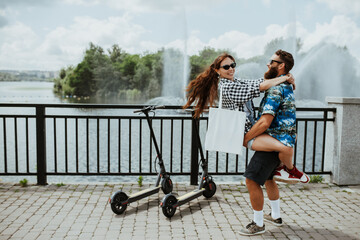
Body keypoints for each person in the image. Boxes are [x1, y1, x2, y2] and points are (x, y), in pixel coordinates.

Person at [183, 52, 303, 182]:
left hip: (253, 130)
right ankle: (290, 171)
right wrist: (284, 78)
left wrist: (287, 76)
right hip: (244, 134)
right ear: (217, 70)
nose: (231, 69)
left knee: (291, 138)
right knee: (286, 148)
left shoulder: (236, 81)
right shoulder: (226, 86)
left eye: (232, 65)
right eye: (226, 67)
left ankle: (279, 169)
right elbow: (259, 87)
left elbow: (259, 81)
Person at [239, 49, 305, 236]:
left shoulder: (276, 89)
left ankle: (258, 224)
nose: (268, 64)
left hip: (273, 140)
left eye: (272, 61)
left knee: (252, 179)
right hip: (282, 138)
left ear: (281, 65)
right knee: (268, 178)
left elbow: (264, 122)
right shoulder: (286, 85)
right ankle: (275, 215)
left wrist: (246, 139)